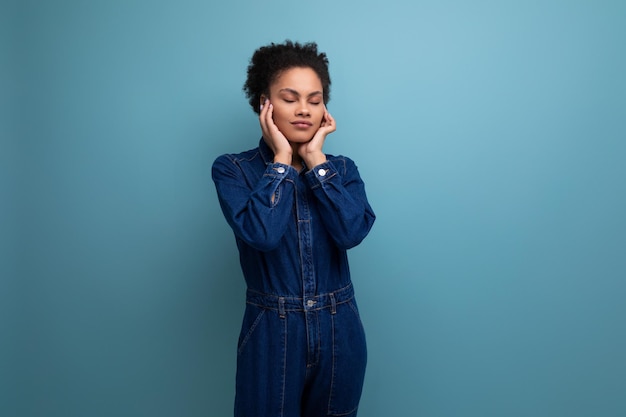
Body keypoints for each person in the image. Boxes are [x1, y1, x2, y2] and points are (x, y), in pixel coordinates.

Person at [212, 40, 376, 417]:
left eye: (315, 100)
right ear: (263, 104)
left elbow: (351, 232)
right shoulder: (233, 170)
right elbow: (263, 234)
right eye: (290, 98)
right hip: (272, 332)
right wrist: (283, 160)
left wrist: (316, 160)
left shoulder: (342, 170)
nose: (304, 109)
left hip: (341, 330)